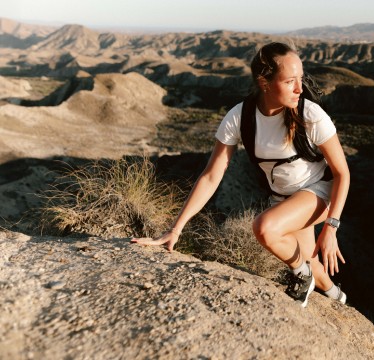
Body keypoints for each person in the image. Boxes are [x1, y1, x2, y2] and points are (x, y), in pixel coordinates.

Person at [132, 42, 350, 308]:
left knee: (265, 228)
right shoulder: (240, 117)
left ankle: (300, 275)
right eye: (290, 81)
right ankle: (338, 298)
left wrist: (331, 227)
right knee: (310, 258)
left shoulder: (310, 114)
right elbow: (212, 175)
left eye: (301, 79)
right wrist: (175, 229)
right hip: (283, 198)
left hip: (320, 192)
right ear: (264, 82)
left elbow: (342, 173)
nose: (299, 88)